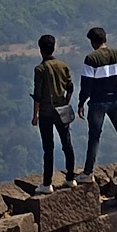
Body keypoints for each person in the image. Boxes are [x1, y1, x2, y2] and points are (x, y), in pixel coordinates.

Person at [78, 26, 117, 178]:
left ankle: (88, 172)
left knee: (94, 136)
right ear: (105, 39)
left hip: (98, 102)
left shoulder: (91, 58)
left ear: (93, 42)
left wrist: (81, 102)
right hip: (115, 100)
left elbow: (86, 85)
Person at [30, 34, 77, 193]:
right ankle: (70, 178)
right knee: (67, 144)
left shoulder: (40, 69)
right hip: (61, 109)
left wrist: (35, 115)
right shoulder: (63, 65)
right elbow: (70, 87)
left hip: (46, 112)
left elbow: (38, 94)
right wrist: (66, 102)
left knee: (48, 147)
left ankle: (47, 183)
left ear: (41, 49)